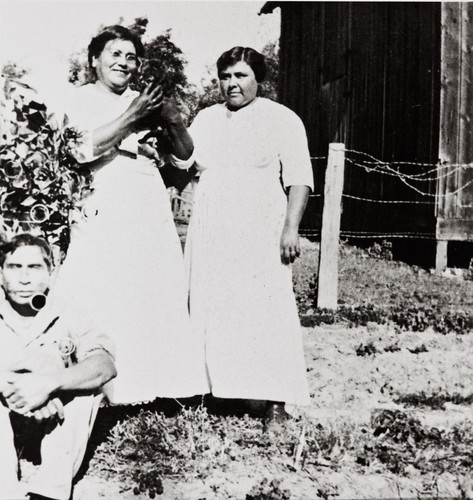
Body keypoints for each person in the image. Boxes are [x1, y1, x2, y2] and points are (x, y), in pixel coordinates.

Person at [53, 25, 209, 404]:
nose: (123, 62)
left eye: (131, 57)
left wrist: (171, 119)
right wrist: (132, 116)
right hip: (101, 199)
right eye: (115, 54)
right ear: (94, 60)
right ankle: (101, 387)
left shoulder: (146, 99)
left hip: (145, 199)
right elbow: (79, 149)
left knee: (150, 286)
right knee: (102, 286)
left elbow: (186, 158)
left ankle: (156, 386)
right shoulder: (77, 100)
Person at [181, 46, 314, 425]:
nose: (232, 84)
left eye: (240, 75)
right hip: (212, 228)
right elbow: (184, 164)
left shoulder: (282, 118)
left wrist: (291, 228)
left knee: (266, 309)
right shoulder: (205, 119)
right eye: (225, 76)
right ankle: (220, 391)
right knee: (215, 305)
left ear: (259, 78)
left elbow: (300, 178)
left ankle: (274, 401)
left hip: (260, 227)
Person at [0, 233, 117, 500]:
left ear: (51, 272)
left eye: (35, 267)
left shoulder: (67, 310)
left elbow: (105, 364)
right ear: (1, 272)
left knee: (87, 389)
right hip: (4, 420)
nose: (25, 278)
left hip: (53, 422)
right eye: (14, 267)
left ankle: (48, 492)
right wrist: (19, 389)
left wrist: (48, 384)